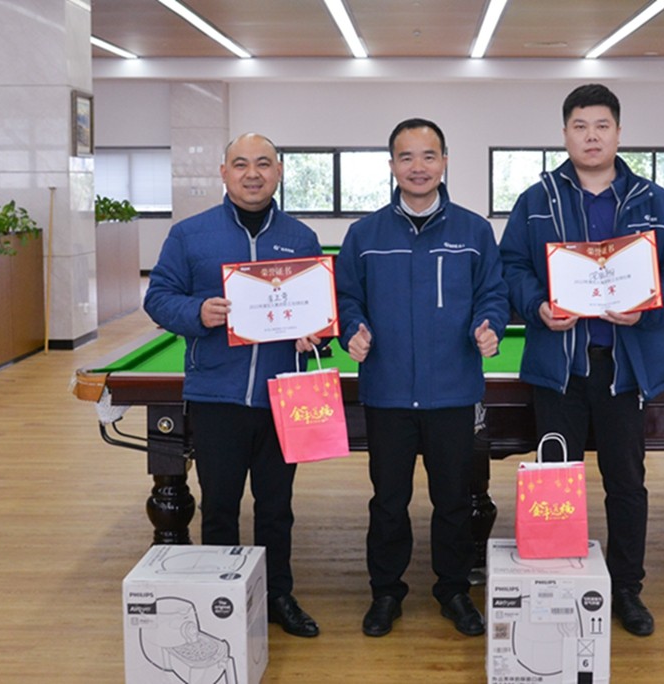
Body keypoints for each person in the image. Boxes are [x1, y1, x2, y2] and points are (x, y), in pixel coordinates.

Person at [499, 84, 664, 637]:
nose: (591, 136)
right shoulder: (536, 200)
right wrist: (537, 306)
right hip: (559, 366)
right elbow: (510, 265)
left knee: (626, 483)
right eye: (580, 126)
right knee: (554, 479)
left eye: (601, 126)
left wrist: (650, 306)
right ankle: (555, 579)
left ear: (618, 132)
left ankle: (627, 588)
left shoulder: (656, 201)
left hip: (625, 368)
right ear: (565, 134)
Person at [335, 118, 510, 638]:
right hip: (387, 392)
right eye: (406, 157)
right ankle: (386, 592)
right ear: (391, 165)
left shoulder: (474, 231)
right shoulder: (363, 235)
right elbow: (346, 298)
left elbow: (494, 293)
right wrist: (352, 330)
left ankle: (453, 590)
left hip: (453, 392)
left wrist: (490, 324)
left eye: (428, 156)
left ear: (444, 162)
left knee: (453, 500)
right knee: (388, 501)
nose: (418, 166)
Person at [144, 133, 322, 638]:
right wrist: (197, 312)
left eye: (263, 164)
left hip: (281, 396)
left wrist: (315, 332)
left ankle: (277, 595)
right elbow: (158, 298)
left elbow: (317, 311)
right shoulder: (190, 235)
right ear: (223, 172)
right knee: (220, 506)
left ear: (279, 172)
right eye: (241, 164)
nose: (253, 174)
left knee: (276, 507)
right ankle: (222, 599)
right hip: (216, 395)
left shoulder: (301, 238)